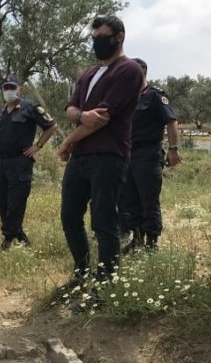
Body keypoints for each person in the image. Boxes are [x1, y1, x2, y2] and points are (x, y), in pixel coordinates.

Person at [57, 15, 143, 285]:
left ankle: (105, 283)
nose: (97, 43)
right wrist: (81, 116)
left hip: (109, 155)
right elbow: (70, 109)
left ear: (119, 37)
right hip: (81, 157)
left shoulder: (129, 70)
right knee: (69, 216)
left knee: (103, 221)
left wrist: (68, 140)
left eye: (102, 37)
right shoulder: (89, 74)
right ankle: (81, 272)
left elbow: (102, 118)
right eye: (93, 38)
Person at [119, 58, 182, 253]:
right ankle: (137, 239)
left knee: (149, 200)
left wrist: (173, 149)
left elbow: (171, 121)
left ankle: (151, 243)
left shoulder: (155, 96)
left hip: (148, 154)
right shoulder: (127, 97)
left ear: (142, 73)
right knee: (130, 199)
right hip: (127, 154)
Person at [0, 76, 57, 250]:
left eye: (12, 87)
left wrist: (38, 145)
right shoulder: (1, 113)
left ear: (19, 89)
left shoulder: (30, 107)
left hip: (20, 162)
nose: (9, 91)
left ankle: (8, 238)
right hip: (1, 163)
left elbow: (51, 126)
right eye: (6, 87)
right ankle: (19, 234)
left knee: (16, 202)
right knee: (0, 201)